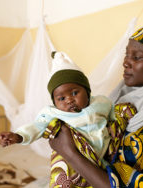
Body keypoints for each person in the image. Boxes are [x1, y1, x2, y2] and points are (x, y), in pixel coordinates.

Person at [0, 52, 136, 187]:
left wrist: (117, 124)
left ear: (87, 92)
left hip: (103, 156)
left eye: (74, 93)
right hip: (74, 158)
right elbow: (37, 126)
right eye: (61, 98)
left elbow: (112, 116)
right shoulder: (52, 113)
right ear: (54, 102)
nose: (70, 99)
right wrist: (18, 136)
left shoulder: (101, 103)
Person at [49, 27, 143, 188]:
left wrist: (69, 152)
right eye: (126, 55)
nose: (125, 62)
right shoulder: (118, 97)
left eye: (137, 57)